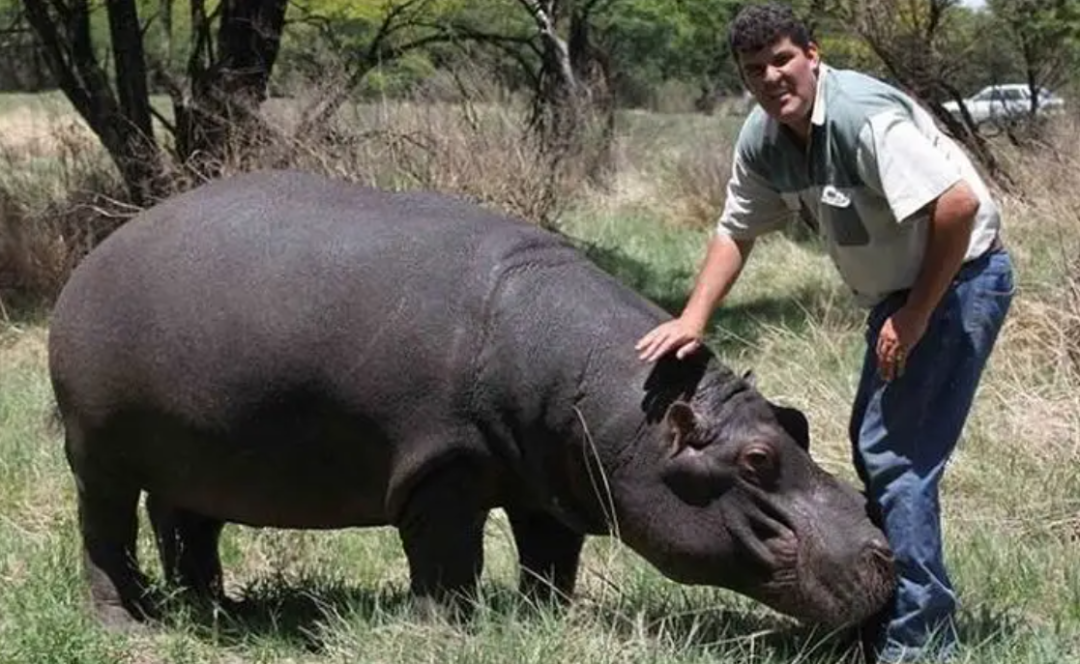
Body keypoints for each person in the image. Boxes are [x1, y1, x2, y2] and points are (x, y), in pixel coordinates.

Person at [634, 3, 1014, 663]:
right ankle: (887, 610)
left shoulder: (860, 118)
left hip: (957, 284)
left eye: (782, 59)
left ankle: (918, 639)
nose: (772, 77)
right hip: (904, 294)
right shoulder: (765, 136)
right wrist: (695, 318)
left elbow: (959, 205)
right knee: (882, 453)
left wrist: (917, 313)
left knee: (895, 458)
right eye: (755, 70)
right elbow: (736, 228)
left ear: (813, 54)